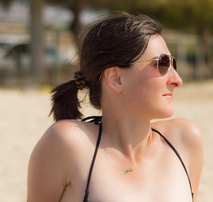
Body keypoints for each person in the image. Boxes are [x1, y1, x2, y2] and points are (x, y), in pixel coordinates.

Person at [27, 13, 203, 202]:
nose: (177, 80)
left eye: (172, 63)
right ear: (116, 78)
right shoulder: (68, 144)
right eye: (162, 64)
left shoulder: (184, 141)